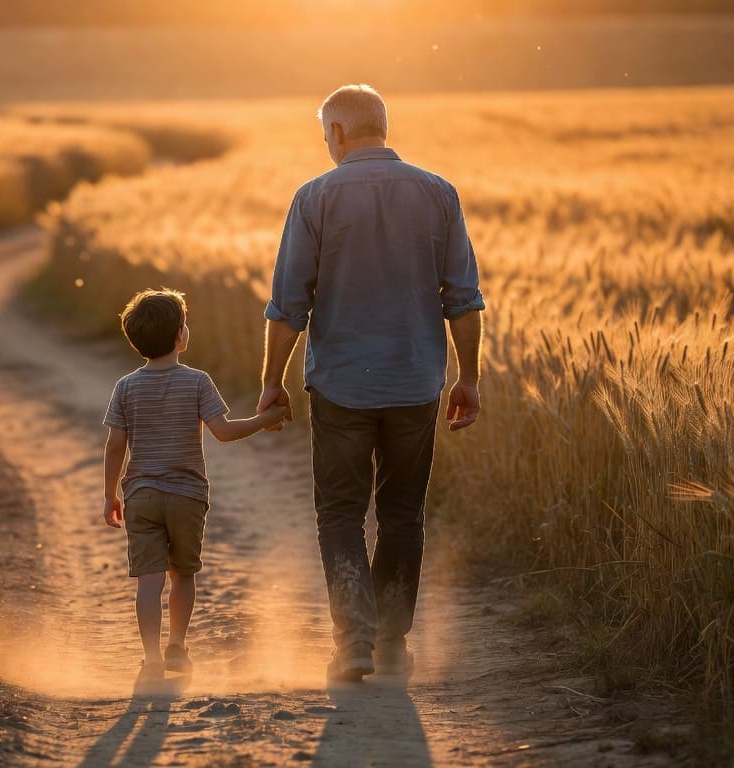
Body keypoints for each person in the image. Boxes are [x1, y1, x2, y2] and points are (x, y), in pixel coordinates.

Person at [258, 84, 486, 682]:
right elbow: (462, 299)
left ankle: (353, 643)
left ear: (336, 133)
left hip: (339, 387)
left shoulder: (314, 198)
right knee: (403, 514)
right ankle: (392, 643)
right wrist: (470, 377)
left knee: (339, 513)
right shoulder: (440, 194)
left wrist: (271, 383)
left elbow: (288, 306)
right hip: (415, 383)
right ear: (382, 126)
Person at [102, 288, 287, 682]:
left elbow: (115, 444)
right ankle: (177, 649)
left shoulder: (125, 387)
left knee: (148, 581)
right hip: (187, 496)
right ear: (180, 337)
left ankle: (151, 658)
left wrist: (109, 495)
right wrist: (265, 419)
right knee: (182, 574)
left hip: (141, 495)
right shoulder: (198, 381)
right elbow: (223, 431)